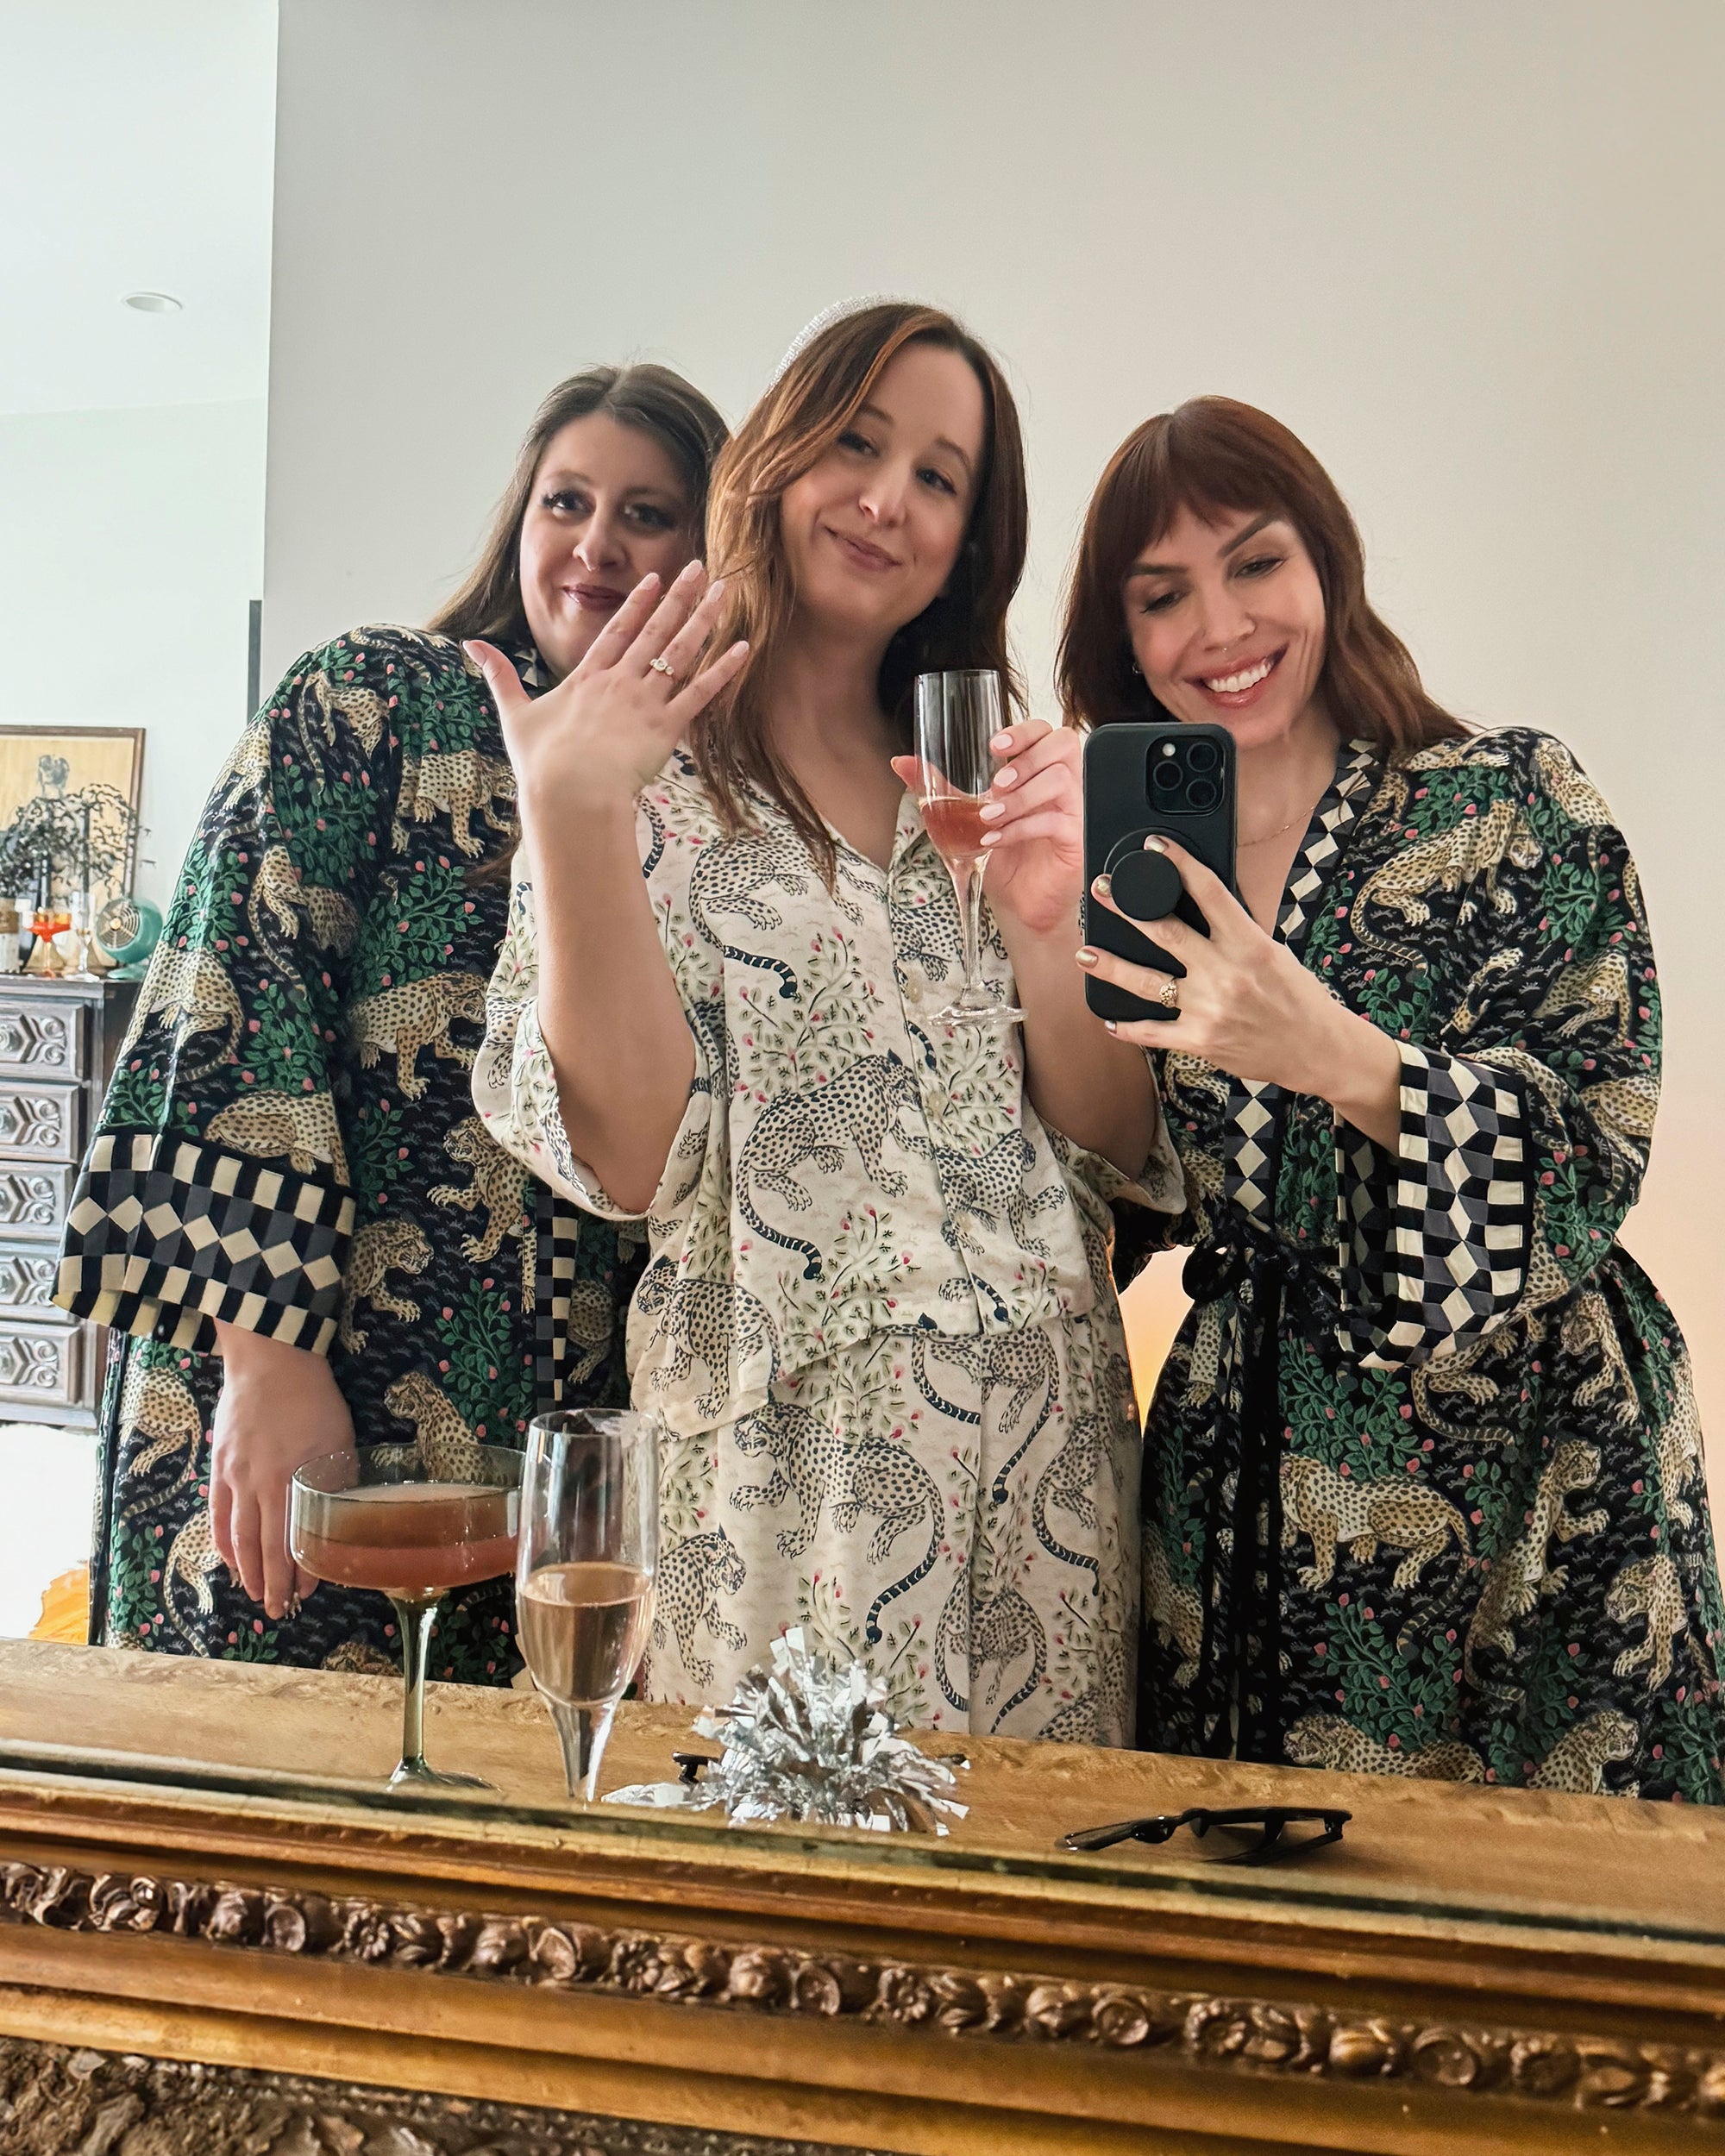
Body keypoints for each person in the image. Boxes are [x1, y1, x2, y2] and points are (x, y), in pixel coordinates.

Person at [471, 301, 1182, 1739]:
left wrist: (1049, 921)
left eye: (939, 477)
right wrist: (575, 813)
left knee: (1048, 1883)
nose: (888, 499)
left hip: (1050, 1475)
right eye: (857, 443)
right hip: (785, 1490)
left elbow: (1106, 1147)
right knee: (792, 1874)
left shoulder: (989, 781)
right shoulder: (636, 773)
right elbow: (631, 1156)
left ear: (970, 537)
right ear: (779, 454)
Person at [1061, 394, 1724, 1799]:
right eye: (1163, 595)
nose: (1221, 626)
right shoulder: (1129, 876)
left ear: (1327, 563)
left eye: (1256, 562)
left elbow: (1597, 1137)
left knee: (1558, 1895)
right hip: (1245, 1468)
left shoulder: (1509, 800)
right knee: (1258, 1898)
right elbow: (1108, 1204)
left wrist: (1337, 1053)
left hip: (1532, 1454)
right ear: (1123, 636)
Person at [56, 363, 729, 1677]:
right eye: (566, 502)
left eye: (646, 515)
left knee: (503, 1790)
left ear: (708, 554)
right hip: (313, 1378)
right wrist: (268, 1366)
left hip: (568, 1439)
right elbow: (232, 998)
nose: (596, 544)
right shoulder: (377, 700)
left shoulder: (714, 795)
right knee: (267, 1770)